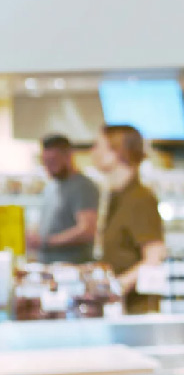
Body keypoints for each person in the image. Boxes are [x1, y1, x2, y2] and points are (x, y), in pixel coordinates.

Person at [92, 124, 165, 314]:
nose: (93, 152)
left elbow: (155, 257)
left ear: (118, 152)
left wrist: (117, 286)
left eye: (98, 146)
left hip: (136, 312)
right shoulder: (116, 196)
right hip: (120, 309)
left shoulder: (140, 199)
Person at [26, 134, 100, 264]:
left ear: (68, 156)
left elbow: (87, 230)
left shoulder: (83, 186)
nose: (48, 167)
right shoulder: (51, 186)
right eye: (45, 162)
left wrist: (46, 241)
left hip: (71, 268)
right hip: (47, 264)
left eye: (53, 161)